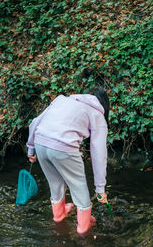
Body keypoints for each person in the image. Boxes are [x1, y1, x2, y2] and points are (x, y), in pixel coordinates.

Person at [26, 87, 109, 234]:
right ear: (104, 104)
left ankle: (59, 216)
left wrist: (31, 149)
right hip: (64, 147)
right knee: (79, 186)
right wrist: (100, 189)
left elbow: (35, 122)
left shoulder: (62, 100)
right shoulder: (97, 114)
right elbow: (99, 153)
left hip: (40, 142)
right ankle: (83, 229)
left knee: (55, 182)